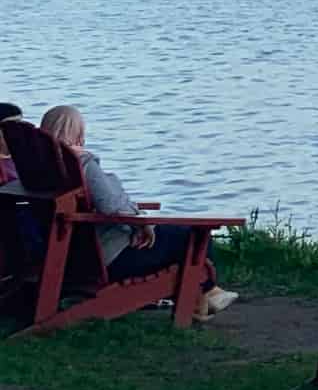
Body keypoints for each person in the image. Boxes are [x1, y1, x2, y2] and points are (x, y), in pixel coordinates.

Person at [36, 105, 237, 318]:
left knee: (176, 235)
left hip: (70, 257)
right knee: (193, 235)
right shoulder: (82, 163)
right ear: (78, 134)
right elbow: (111, 206)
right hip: (111, 258)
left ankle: (205, 297)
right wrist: (142, 223)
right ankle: (206, 292)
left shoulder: (39, 169)